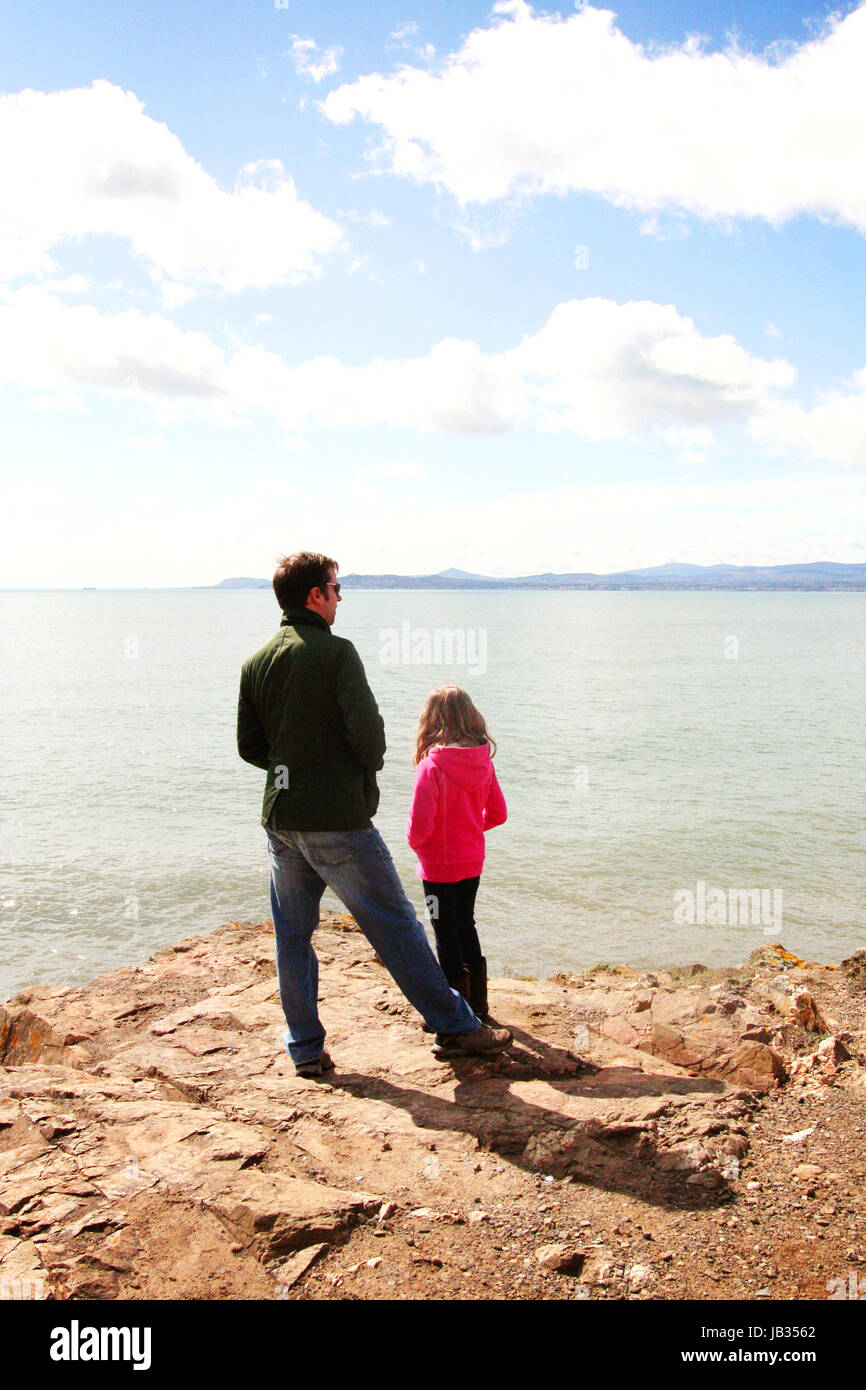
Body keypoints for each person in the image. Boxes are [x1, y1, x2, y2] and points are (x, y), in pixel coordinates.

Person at [236, 552, 512, 1076]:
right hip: (337, 818)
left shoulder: (256, 662)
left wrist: (290, 767)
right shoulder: (336, 653)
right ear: (315, 596)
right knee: (396, 924)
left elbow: (251, 746)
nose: (340, 598)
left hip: (281, 819)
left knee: (292, 935)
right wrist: (353, 769)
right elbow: (369, 740)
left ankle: (306, 1049)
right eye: (336, 589)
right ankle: (457, 1025)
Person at [407, 687, 506, 1026]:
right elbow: (498, 814)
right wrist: (469, 831)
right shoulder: (483, 761)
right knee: (466, 925)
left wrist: (419, 845)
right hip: (471, 861)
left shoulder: (432, 766)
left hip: (437, 867)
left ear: (432, 720)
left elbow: (419, 826)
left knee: (444, 933)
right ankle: (479, 1008)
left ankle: (454, 1018)